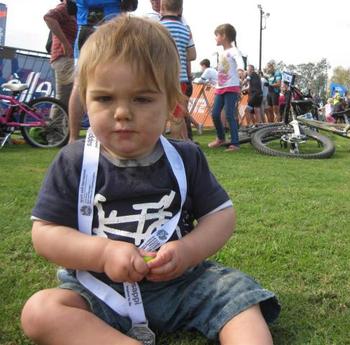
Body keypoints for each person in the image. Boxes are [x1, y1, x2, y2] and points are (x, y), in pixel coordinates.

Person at [20, 15, 279, 345]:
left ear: (171, 104)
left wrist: (186, 251)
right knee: (40, 311)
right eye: (105, 99)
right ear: (85, 100)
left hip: (183, 284)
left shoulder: (186, 157)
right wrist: (102, 254)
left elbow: (221, 216)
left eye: (141, 99)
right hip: (100, 290)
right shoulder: (73, 161)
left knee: (240, 301)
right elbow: (45, 234)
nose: (122, 113)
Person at [67, 0, 137, 143]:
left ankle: (73, 137)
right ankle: (110, 131)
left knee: (78, 85)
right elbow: (132, 5)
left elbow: (70, 8)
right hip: (112, 29)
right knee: (115, 82)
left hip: (84, 29)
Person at [160, 0, 196, 141]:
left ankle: (158, 148)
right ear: (180, 8)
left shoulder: (157, 27)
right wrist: (179, 52)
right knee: (177, 117)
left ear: (162, 7)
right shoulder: (185, 29)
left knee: (160, 116)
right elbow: (192, 55)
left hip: (160, 79)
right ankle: (175, 146)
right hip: (180, 80)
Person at [208, 23, 244, 152]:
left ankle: (235, 143)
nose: (215, 38)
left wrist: (240, 69)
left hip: (231, 87)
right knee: (215, 114)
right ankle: (221, 138)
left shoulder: (234, 50)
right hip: (220, 87)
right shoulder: (222, 53)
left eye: (217, 35)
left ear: (224, 36)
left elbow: (240, 60)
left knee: (229, 115)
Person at [43, 0, 77, 108]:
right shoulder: (65, 6)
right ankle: (55, 124)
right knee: (63, 99)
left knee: (68, 97)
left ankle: (62, 124)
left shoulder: (75, 10)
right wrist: (65, 43)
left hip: (68, 58)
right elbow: (49, 17)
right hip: (64, 57)